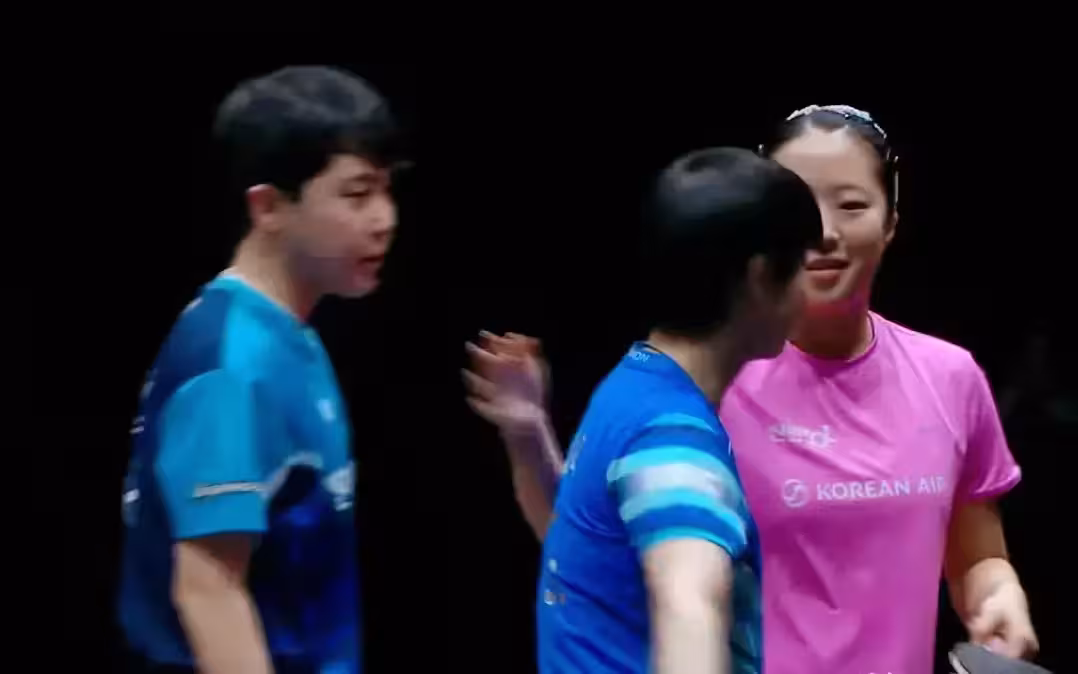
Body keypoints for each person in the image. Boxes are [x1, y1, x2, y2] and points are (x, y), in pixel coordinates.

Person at [465, 105, 1039, 674]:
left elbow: (980, 558)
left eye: (852, 205)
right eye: (799, 208)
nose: (824, 233)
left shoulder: (950, 377)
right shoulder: (692, 397)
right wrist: (528, 437)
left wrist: (998, 594)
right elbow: (619, 556)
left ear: (891, 221)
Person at [467, 147, 822, 673]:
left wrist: (528, 434)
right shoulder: (672, 438)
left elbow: (590, 547)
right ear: (760, 278)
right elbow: (688, 602)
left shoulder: (628, 388)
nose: (810, 292)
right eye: (803, 269)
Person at [117, 65, 405, 674]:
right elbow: (208, 589)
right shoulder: (231, 367)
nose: (385, 219)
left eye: (387, 190)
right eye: (357, 195)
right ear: (269, 205)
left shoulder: (290, 336)